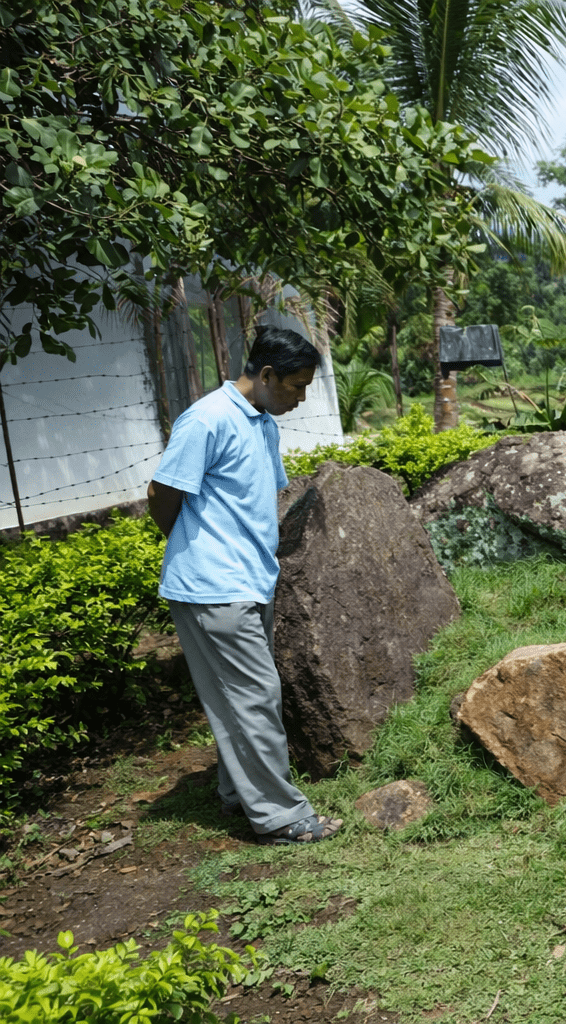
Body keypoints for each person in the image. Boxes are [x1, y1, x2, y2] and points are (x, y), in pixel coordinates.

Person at [145, 324, 342, 846]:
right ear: (268, 374)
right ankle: (281, 816)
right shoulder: (208, 419)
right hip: (214, 585)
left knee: (242, 696)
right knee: (255, 695)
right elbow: (162, 492)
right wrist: (193, 545)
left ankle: (239, 794)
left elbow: (257, 499)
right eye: (296, 387)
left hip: (251, 579)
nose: (300, 399)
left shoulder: (262, 423)